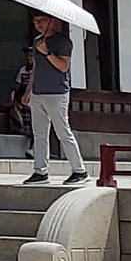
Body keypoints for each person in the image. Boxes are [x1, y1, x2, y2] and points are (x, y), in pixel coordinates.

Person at [21, 12, 87, 185]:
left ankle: (79, 170)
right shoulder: (37, 41)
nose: (39, 24)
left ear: (53, 21)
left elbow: (63, 66)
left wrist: (47, 52)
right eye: (36, 21)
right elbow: (35, 67)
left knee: (63, 132)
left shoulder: (63, 41)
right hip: (38, 92)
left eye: (42, 20)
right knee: (39, 134)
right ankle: (40, 171)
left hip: (57, 93)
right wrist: (28, 91)